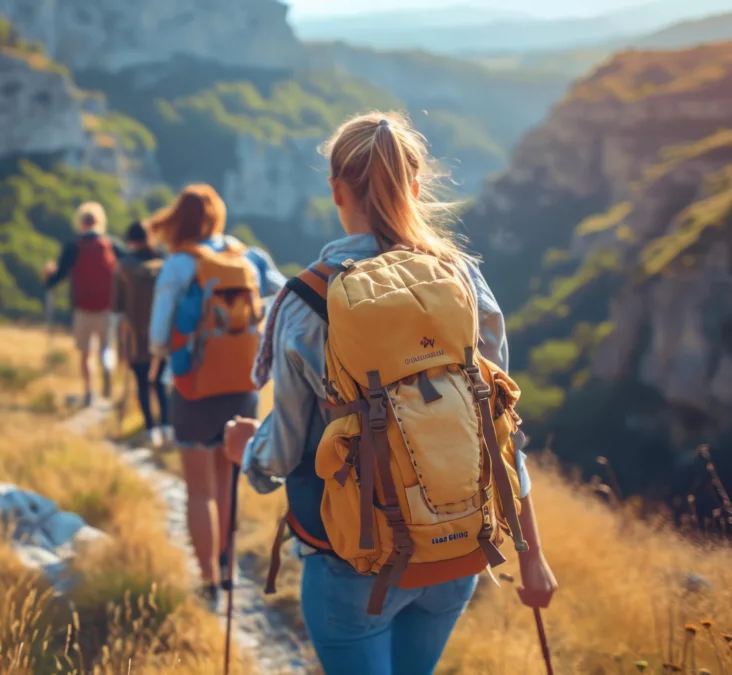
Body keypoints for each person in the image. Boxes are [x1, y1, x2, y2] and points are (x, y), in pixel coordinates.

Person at [223, 111, 558, 674]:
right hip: (457, 552)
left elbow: (282, 451)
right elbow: (498, 428)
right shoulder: (461, 280)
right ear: (416, 186)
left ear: (335, 190)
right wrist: (532, 557)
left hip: (353, 563)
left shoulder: (308, 302)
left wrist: (247, 455)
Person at [146, 184, 285, 609]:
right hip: (244, 384)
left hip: (194, 386)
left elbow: (156, 337)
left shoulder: (180, 263)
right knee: (227, 484)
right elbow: (286, 295)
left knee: (199, 489)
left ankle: (207, 579)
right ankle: (227, 571)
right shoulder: (251, 257)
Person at [43, 202, 126, 408]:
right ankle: (108, 373)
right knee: (107, 348)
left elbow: (58, 276)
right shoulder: (111, 246)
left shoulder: (73, 247)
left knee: (86, 352)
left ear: (81, 222)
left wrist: (48, 275)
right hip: (108, 307)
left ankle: (89, 392)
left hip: (83, 307)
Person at [112, 221, 172, 447]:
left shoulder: (124, 266)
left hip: (134, 334)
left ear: (130, 240)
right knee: (160, 381)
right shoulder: (164, 264)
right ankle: (166, 425)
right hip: (163, 332)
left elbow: (116, 306)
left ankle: (150, 428)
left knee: (141, 380)